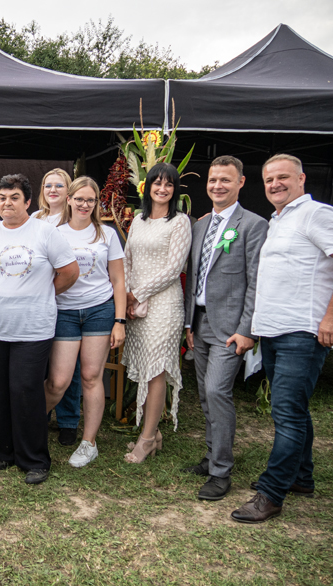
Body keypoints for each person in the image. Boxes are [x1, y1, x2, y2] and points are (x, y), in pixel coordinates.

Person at [231, 154, 333, 524]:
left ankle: (271, 493)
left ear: (302, 178)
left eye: (283, 178)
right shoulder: (278, 220)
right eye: (269, 179)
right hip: (275, 331)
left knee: (287, 414)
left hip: (303, 331)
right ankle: (302, 478)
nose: (275, 184)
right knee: (294, 409)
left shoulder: (317, 214)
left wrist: (332, 316)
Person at [0, 174, 78, 484]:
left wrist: (44, 292)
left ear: (28, 202)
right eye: (2, 198)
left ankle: (34, 460)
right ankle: (3, 452)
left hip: (33, 329)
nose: (7, 203)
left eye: (14, 197)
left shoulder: (45, 233)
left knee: (26, 391)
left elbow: (70, 272)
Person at [182, 156, 268, 501]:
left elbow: (256, 282)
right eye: (213, 180)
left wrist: (248, 329)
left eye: (226, 180)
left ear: (241, 183)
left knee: (218, 392)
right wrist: (189, 323)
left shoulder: (253, 225)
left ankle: (221, 472)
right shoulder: (200, 225)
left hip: (231, 328)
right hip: (199, 322)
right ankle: (211, 453)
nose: (218, 186)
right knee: (204, 393)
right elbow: (195, 277)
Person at [44, 177, 126, 468]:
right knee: (58, 382)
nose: (84, 205)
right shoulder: (53, 232)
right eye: (79, 199)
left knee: (92, 377)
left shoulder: (107, 234)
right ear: (69, 199)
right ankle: (30, 426)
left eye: (90, 200)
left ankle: (88, 443)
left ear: (96, 203)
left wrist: (120, 320)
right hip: (64, 311)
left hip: (99, 311)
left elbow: (118, 280)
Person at [121, 162, 191, 463]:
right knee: (144, 367)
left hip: (164, 305)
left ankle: (147, 438)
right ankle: (155, 433)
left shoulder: (180, 222)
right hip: (136, 305)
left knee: (156, 369)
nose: (162, 189)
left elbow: (173, 269)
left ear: (174, 190)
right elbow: (126, 260)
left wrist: (137, 294)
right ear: (147, 187)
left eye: (169, 184)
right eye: (157, 183)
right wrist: (125, 297)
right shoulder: (138, 219)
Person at [32, 167, 81, 444]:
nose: (53, 190)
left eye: (59, 186)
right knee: (41, 363)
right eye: (48, 185)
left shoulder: (74, 219)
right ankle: (42, 412)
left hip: (66, 300)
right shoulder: (35, 218)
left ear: (69, 192)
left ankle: (68, 420)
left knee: (65, 366)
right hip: (37, 304)